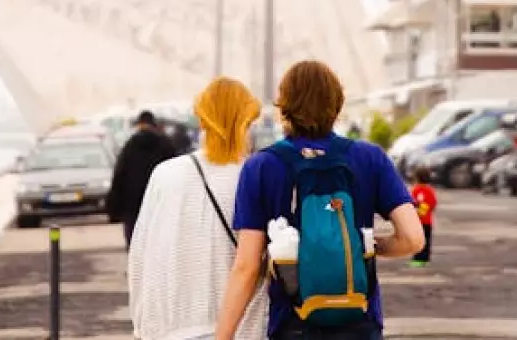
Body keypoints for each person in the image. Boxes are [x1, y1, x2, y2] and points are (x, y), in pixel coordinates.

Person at [216, 60, 425, 340]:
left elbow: (247, 265)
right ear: (337, 105)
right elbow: (413, 238)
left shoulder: (262, 166)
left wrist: (223, 336)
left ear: (284, 107)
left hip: (293, 323)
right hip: (359, 322)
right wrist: (366, 245)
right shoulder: (369, 158)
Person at [128, 78, 268, 339]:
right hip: (241, 328)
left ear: (202, 122)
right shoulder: (255, 175)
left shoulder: (165, 175)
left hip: (172, 328)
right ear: (246, 124)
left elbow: (141, 255)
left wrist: (141, 326)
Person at [107, 110, 176, 248]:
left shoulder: (130, 146)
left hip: (133, 204)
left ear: (139, 124)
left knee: (135, 245)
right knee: (159, 245)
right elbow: (175, 172)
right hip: (160, 202)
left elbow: (119, 175)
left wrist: (113, 208)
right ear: (154, 124)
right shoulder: (166, 145)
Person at [409, 166, 437, 267]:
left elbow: (411, 203)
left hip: (417, 221)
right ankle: (425, 257)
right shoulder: (430, 190)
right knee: (427, 240)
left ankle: (418, 258)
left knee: (417, 240)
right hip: (427, 221)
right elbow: (433, 203)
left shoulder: (415, 190)